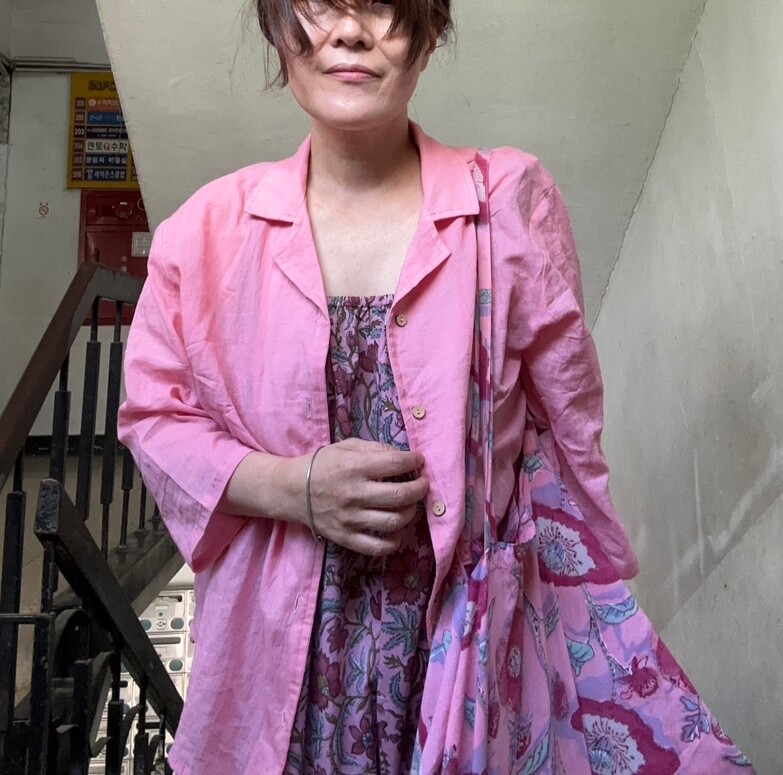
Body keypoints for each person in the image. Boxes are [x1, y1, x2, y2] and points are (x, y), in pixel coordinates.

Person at [118, 1, 755, 773]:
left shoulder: (507, 202)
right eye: (319, 4)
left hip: (466, 652)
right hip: (278, 658)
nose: (349, 31)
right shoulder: (204, 233)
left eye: (382, 5)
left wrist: (591, 605)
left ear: (427, 35)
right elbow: (153, 417)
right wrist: (295, 487)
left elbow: (568, 428)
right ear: (276, 28)